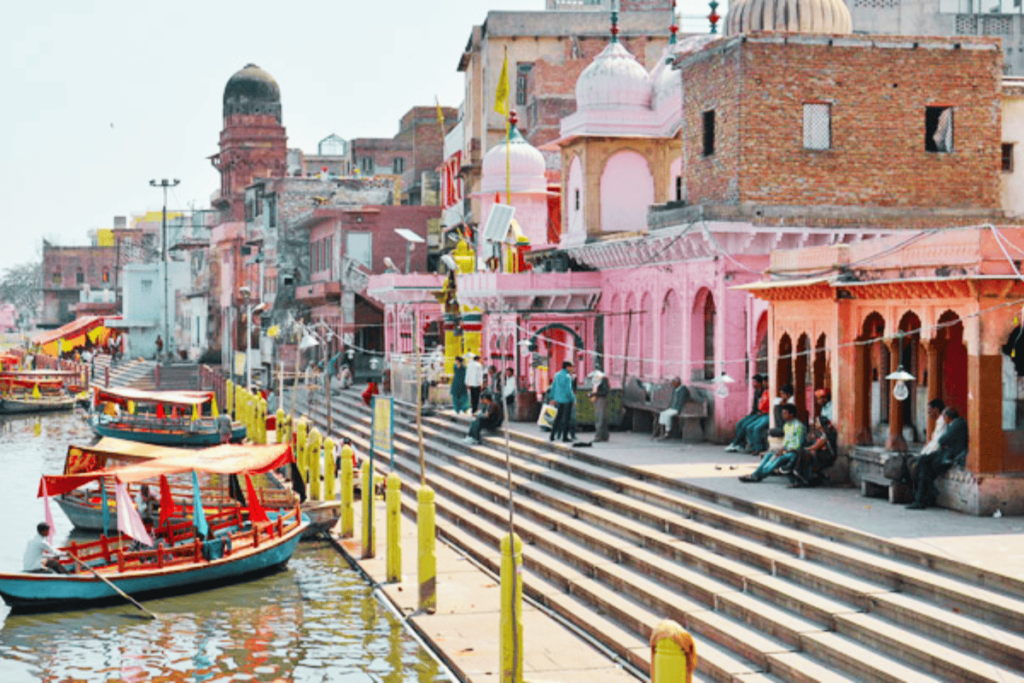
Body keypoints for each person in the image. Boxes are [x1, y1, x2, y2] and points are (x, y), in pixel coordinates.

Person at [908, 406, 968, 510]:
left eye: (944, 417)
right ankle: (923, 498)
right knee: (923, 463)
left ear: (948, 417)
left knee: (924, 465)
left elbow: (942, 440)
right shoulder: (955, 423)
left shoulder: (958, 424)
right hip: (947, 453)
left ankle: (920, 500)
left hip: (951, 456)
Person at [739, 404, 806, 483]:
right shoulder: (786, 425)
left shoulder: (799, 426)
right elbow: (786, 442)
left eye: (785, 413)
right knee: (769, 455)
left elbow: (799, 445)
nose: (782, 415)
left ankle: (757, 476)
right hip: (787, 450)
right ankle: (755, 474)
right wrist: (780, 450)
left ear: (791, 414)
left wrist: (785, 452)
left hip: (795, 453)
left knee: (779, 459)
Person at [725, 374, 768, 452]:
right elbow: (755, 406)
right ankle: (740, 444)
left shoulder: (764, 392)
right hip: (754, 413)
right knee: (739, 424)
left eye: (755, 382)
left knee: (746, 426)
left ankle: (736, 444)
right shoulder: (756, 392)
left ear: (760, 383)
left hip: (760, 414)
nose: (753, 384)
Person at [548, 361, 577, 443]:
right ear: (568, 367)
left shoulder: (557, 375)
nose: (572, 369)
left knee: (557, 418)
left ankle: (552, 435)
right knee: (566, 419)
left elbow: (553, 387)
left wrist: (552, 398)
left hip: (557, 400)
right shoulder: (568, 377)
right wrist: (573, 399)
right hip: (566, 401)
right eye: (571, 367)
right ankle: (564, 437)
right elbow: (569, 390)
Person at [590, 368, 610, 442]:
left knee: (599, 418)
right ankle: (605, 435)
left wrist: (594, 394)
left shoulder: (602, 380)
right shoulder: (601, 380)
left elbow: (604, 391)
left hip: (601, 400)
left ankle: (598, 436)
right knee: (603, 418)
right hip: (599, 399)